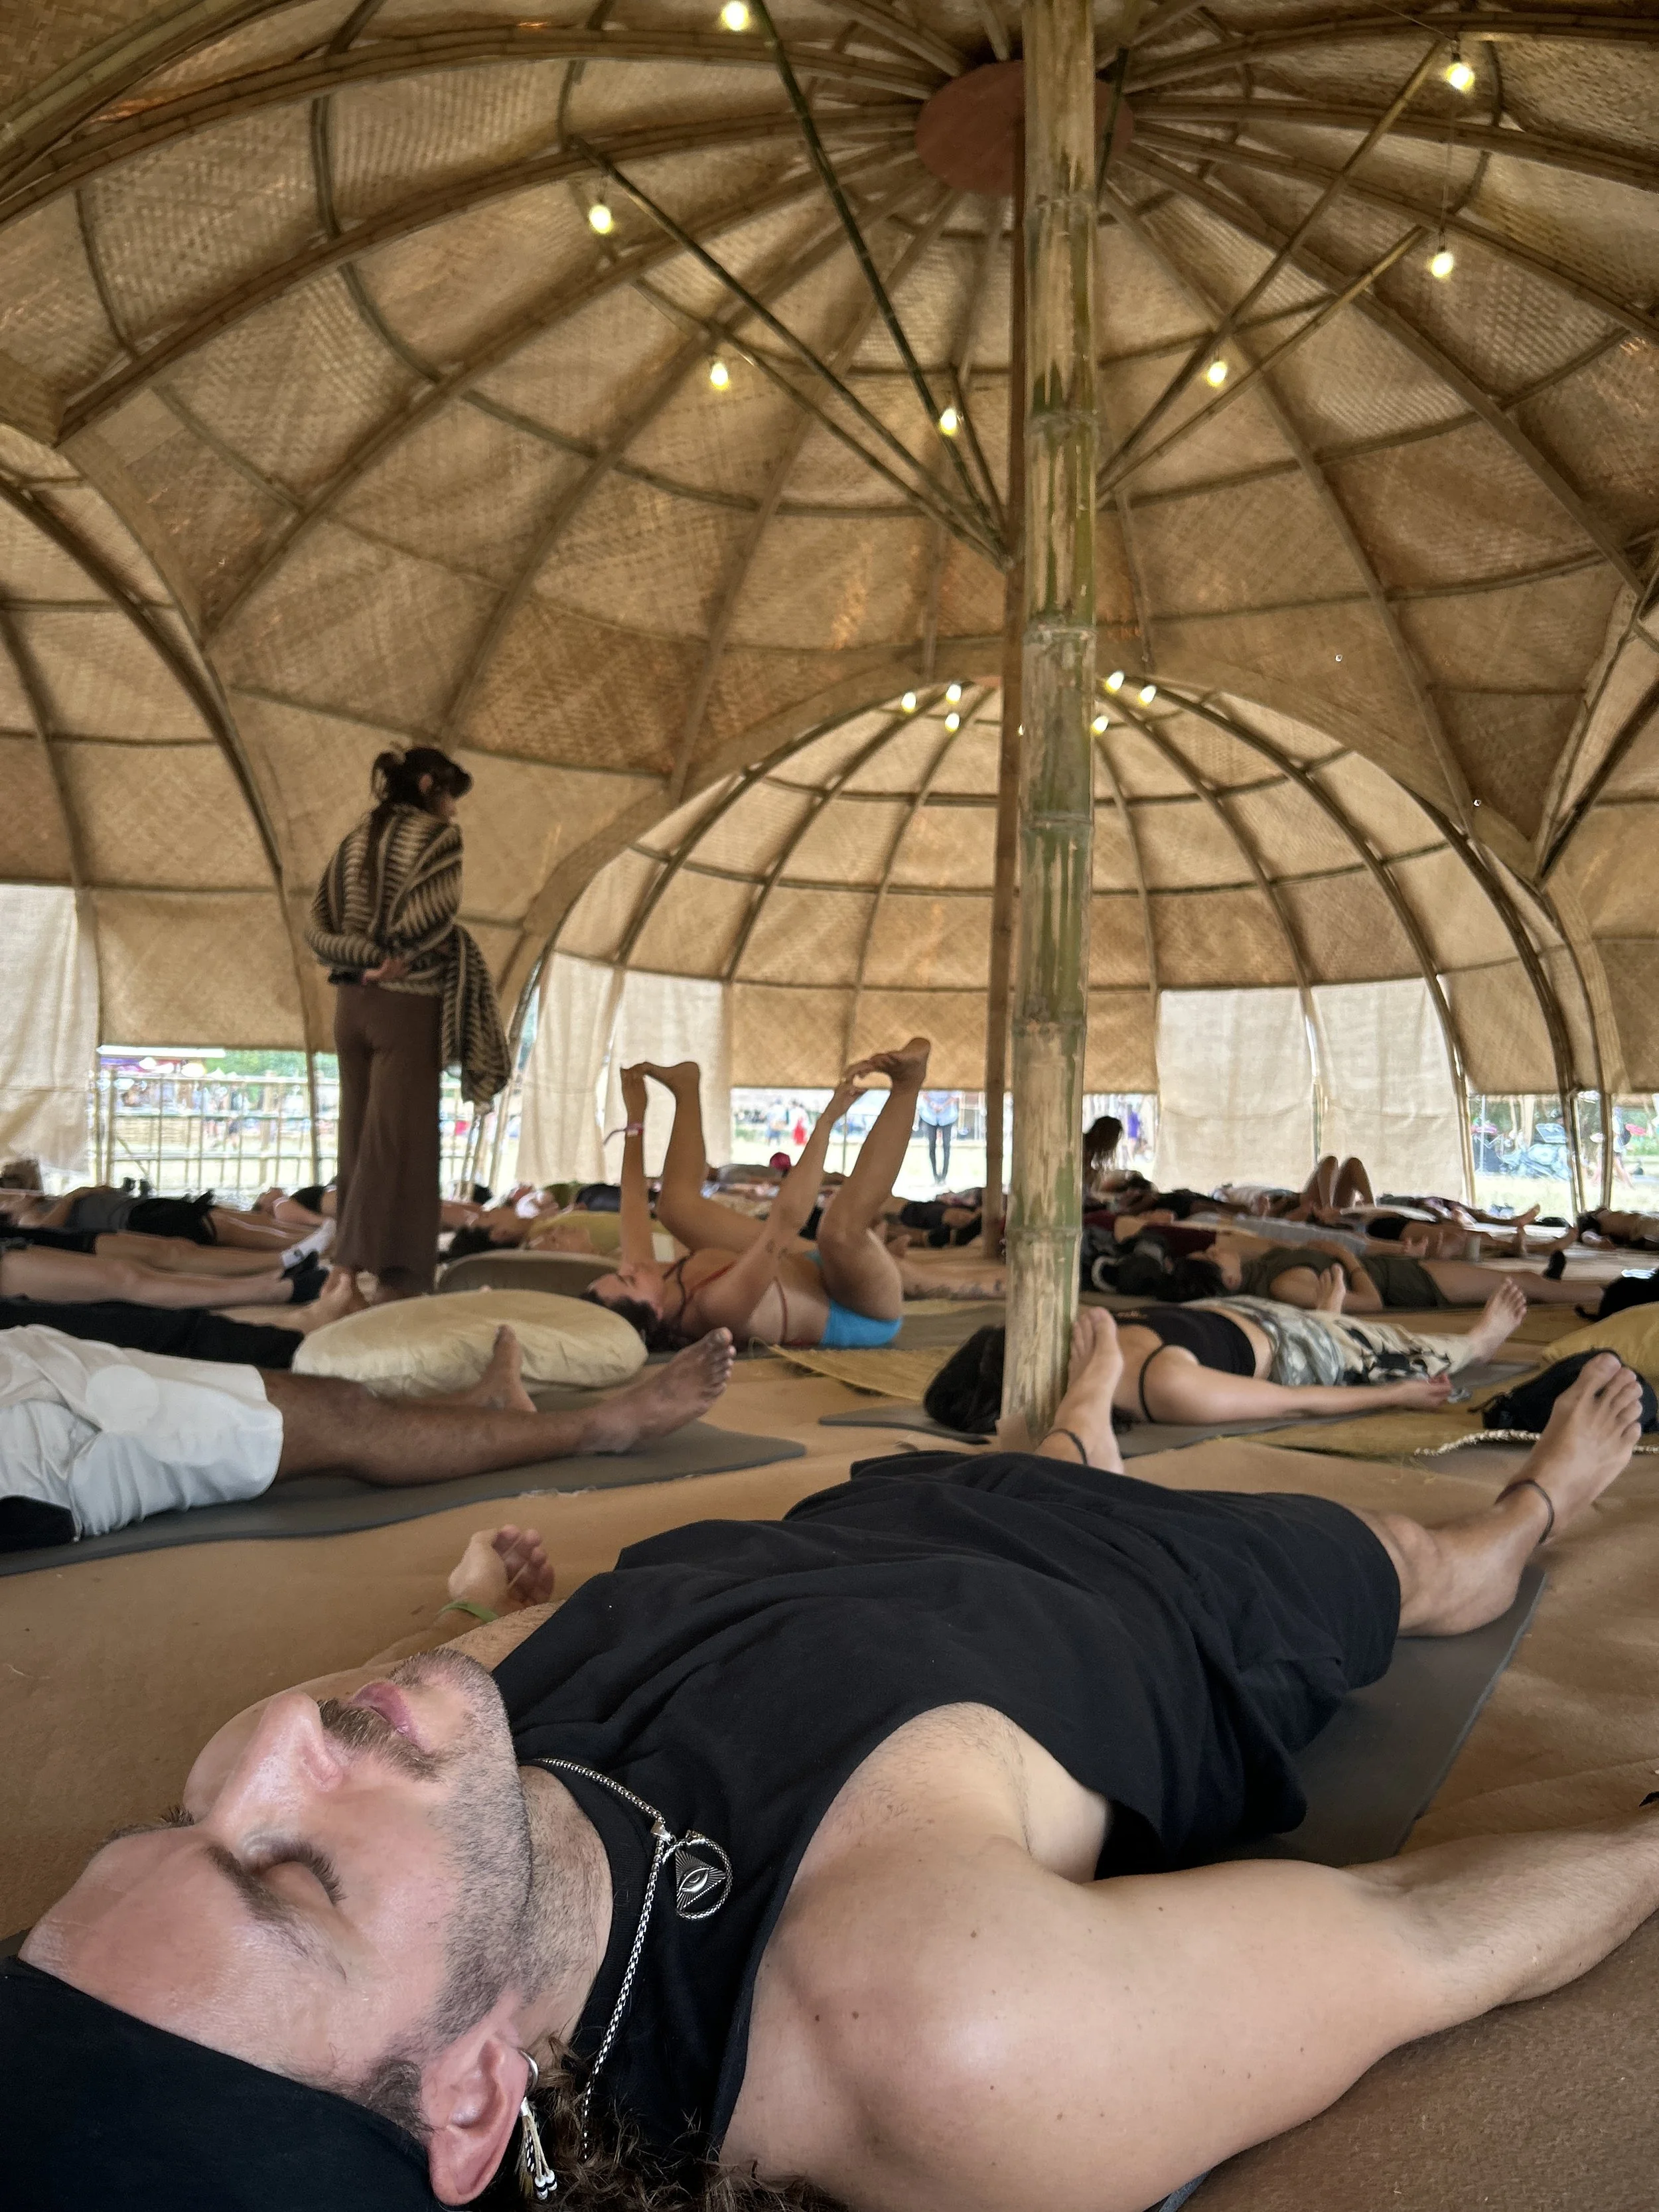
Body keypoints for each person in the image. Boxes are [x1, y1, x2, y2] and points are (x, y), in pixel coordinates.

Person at [13, 1323, 1659, 2212]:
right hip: (1157, 1591)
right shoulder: (933, 2035)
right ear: (468, 2099)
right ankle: (1540, 1501)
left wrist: (459, 1622)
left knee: (1021, 1459)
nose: (272, 1742)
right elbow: (1431, 1937)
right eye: (289, 1874)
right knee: (1439, 1573)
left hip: (844, 1526)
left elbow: (343, 1756)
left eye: (175, 1816)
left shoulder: (432, 1810)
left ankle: (1070, 1432)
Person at [0, 1321, 733, 1551]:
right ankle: (601, 1429)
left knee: (330, 1401)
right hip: (32, 1453)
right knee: (343, 1420)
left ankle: (475, 1406)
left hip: (21, 1363)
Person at [585, 1041, 959, 1352]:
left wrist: (636, 1117)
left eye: (620, 1272)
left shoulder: (650, 1279)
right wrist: (826, 1122)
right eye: (630, 1280)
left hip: (804, 1268)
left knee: (675, 1207)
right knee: (839, 1231)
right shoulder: (715, 1310)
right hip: (857, 1310)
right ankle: (908, 1086)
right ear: (654, 1311)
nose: (630, 1265)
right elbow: (786, 1220)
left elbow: (633, 1202)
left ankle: (686, 1086)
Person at [306, 746, 510, 1303]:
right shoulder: (436, 838)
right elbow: (431, 916)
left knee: (357, 1137)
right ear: (427, 785)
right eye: (450, 798)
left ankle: (357, 1268)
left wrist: (359, 956)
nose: (453, 812)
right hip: (406, 1002)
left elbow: (317, 925)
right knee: (401, 1143)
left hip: (352, 1006)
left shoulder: (353, 842)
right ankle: (359, 1273)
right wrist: (388, 954)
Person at [1206, 1240, 1591, 1312]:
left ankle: (1614, 1290)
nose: (1215, 1249)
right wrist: (1345, 1257)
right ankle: (1614, 1294)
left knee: (1528, 1279)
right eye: (1211, 1257)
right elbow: (1370, 1303)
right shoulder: (1284, 1285)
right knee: (1525, 1284)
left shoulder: (1263, 1265)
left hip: (1399, 1270)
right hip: (1404, 1285)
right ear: (1229, 1282)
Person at [916, 1089, 958, 1183]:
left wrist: (944, 1106)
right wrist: (932, 1104)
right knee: (932, 1146)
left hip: (947, 1116)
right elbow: (923, 1092)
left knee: (947, 1146)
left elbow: (956, 1095)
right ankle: (935, 1176)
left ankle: (944, 1177)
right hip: (930, 1115)